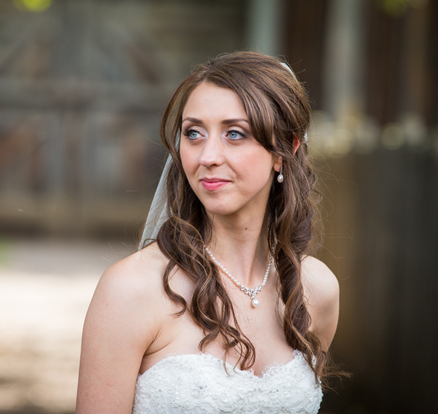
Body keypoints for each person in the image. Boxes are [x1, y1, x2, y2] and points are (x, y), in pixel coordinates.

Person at [75, 51, 340, 413]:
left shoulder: (316, 291)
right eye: (194, 133)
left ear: (285, 150)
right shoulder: (130, 290)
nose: (207, 156)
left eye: (234, 133)